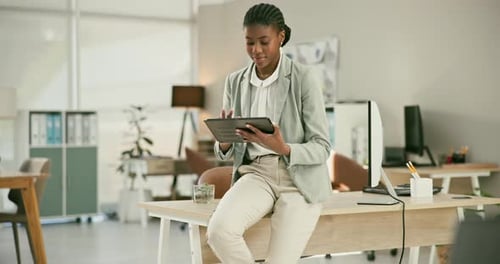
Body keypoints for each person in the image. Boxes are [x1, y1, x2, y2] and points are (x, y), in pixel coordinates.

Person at [206, 3, 332, 264]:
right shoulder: (235, 82)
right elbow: (226, 151)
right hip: (256, 174)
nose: (256, 50)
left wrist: (283, 148)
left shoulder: (303, 78)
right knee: (219, 232)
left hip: (297, 180)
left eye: (264, 41)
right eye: (250, 42)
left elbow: (322, 146)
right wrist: (225, 142)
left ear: (281, 37)